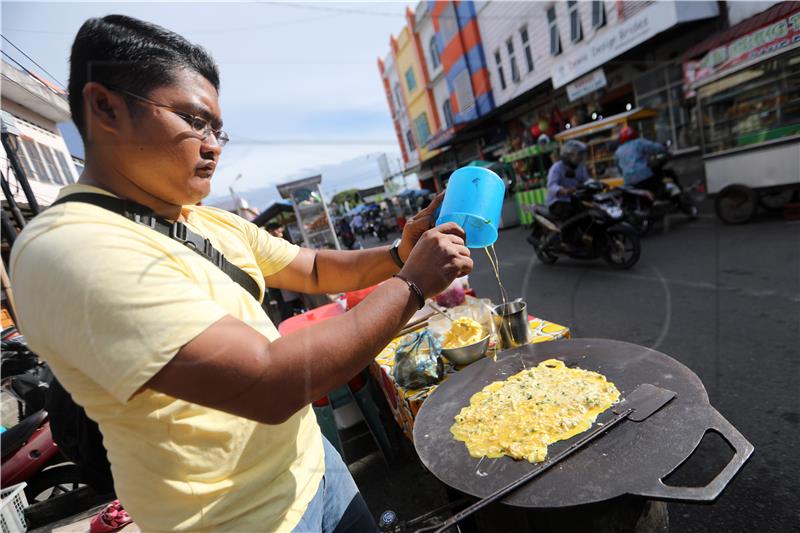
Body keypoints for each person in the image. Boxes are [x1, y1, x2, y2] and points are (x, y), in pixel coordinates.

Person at [9, 15, 472, 533]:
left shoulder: (203, 219)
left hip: (315, 470)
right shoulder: (72, 247)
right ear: (105, 107)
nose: (213, 145)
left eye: (217, 129)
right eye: (193, 120)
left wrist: (396, 252)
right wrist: (410, 283)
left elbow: (313, 267)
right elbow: (267, 381)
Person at [545, 140, 591, 221]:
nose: (581, 157)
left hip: (574, 199)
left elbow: (586, 180)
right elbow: (551, 186)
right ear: (568, 155)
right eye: (578, 154)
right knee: (572, 215)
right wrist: (564, 190)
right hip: (557, 201)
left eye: (582, 154)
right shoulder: (557, 167)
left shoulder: (580, 167)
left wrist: (595, 184)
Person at [614, 126, 668, 192]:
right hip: (644, 176)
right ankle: (660, 200)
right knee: (660, 186)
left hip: (628, 180)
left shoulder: (618, 151)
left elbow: (618, 167)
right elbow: (655, 147)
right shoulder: (639, 142)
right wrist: (664, 148)